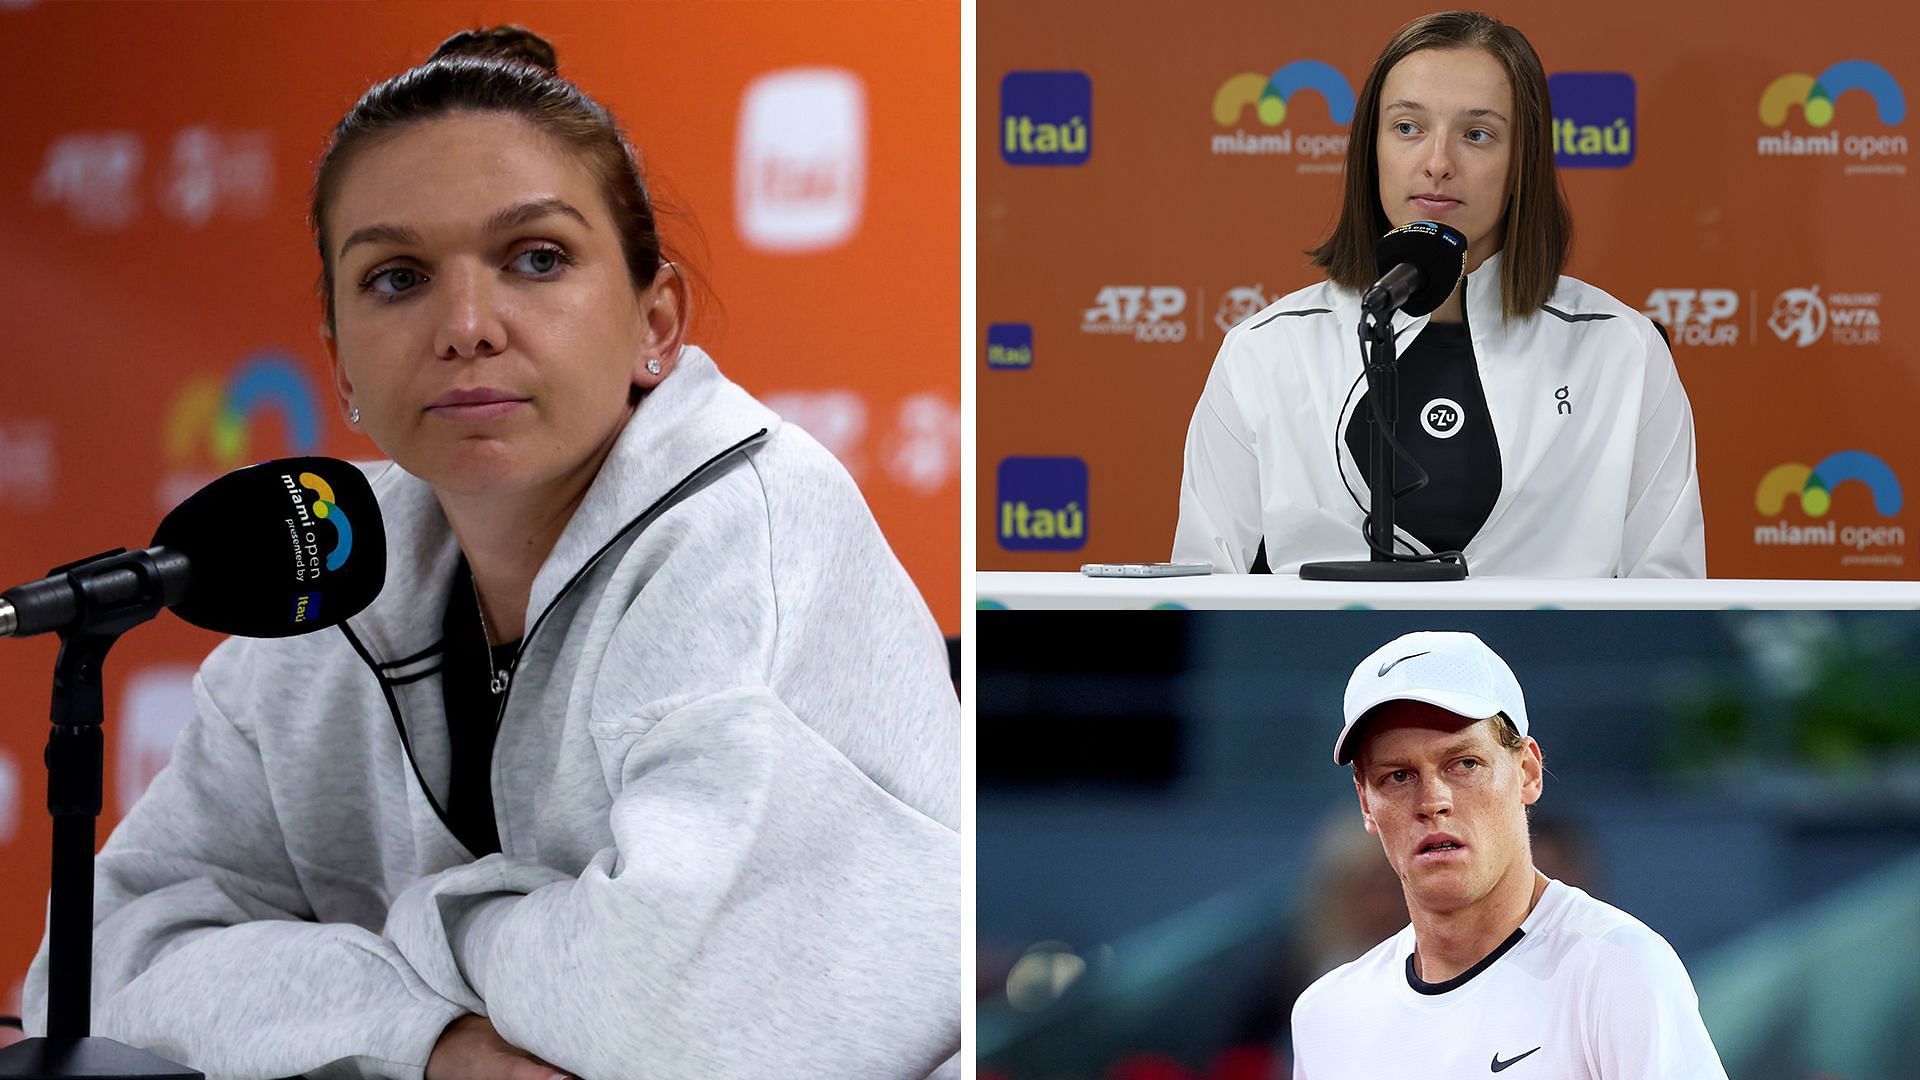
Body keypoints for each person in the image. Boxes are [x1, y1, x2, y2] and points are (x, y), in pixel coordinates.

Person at [22, 27, 960, 1080]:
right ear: (338, 366)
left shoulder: (755, 526)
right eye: (397, 277)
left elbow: (682, 1024)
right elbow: (89, 968)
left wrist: (426, 928)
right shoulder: (323, 572)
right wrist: (426, 1041)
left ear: (658, 323)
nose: (466, 325)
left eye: (537, 259)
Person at [1174, 11, 1705, 577]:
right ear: (1370, 149)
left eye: (1477, 134)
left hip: (1553, 667)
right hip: (1326, 666)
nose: (1437, 164)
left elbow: (1670, 600)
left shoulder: (1623, 349)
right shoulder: (1263, 351)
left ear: (1522, 160)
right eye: (1408, 128)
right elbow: (1205, 597)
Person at [1288, 631, 1728, 1078]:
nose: (1432, 800)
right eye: (1399, 776)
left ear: (1528, 773)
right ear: (1366, 803)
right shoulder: (1327, 1015)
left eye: (1464, 764)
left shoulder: (1617, 969)